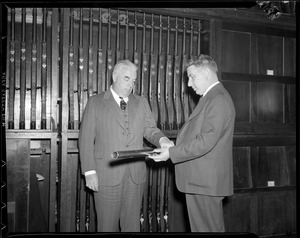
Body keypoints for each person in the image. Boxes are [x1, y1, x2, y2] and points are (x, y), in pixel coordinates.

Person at [78, 59, 174, 232]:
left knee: (132, 227)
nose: (131, 85)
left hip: (135, 176)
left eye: (134, 81)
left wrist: (163, 140)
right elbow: (85, 139)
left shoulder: (141, 102)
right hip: (106, 175)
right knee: (107, 227)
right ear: (115, 76)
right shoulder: (96, 102)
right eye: (126, 78)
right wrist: (89, 172)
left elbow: (150, 129)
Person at [149, 54, 236, 232]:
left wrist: (171, 154)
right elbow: (199, 137)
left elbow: (205, 141)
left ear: (206, 73)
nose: (189, 84)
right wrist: (173, 147)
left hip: (205, 183)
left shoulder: (217, 99)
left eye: (192, 77)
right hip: (202, 181)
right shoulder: (212, 97)